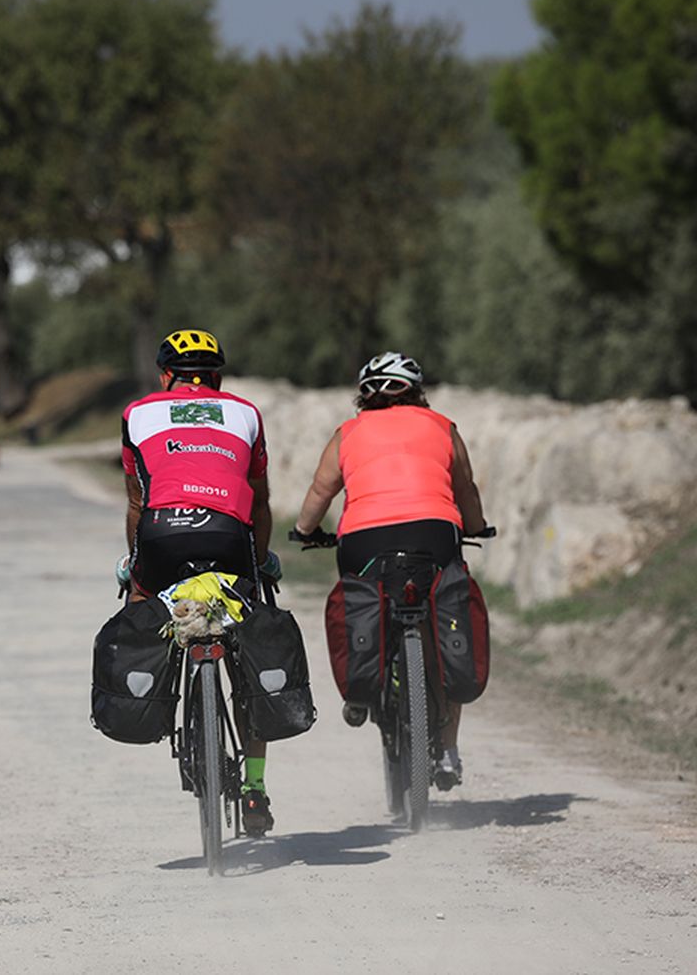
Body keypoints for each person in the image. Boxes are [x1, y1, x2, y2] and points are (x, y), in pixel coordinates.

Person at [290, 350, 487, 787]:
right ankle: (449, 752)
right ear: (417, 392)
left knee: (363, 596)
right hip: (434, 536)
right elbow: (465, 488)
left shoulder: (348, 432)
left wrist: (305, 531)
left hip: (365, 540)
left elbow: (322, 491)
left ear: (364, 398)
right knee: (442, 621)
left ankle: (364, 686)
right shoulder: (443, 427)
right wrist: (477, 526)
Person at [119, 328, 281, 834]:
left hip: (162, 534)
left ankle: (153, 698)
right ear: (218, 377)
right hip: (229, 534)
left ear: (165, 375)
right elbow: (259, 498)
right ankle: (253, 788)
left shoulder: (137, 413)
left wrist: (134, 563)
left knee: (144, 606)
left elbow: (137, 501)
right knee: (249, 648)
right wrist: (259, 561)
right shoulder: (246, 413)